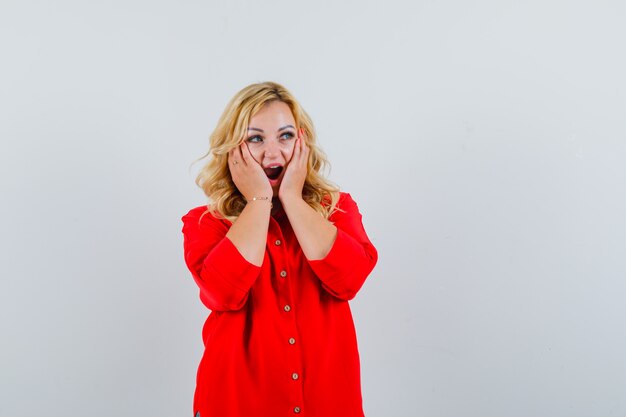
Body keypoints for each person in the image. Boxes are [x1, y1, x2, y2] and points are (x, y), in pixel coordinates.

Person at [181, 81, 378, 417]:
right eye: (256, 138)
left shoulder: (338, 209)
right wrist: (260, 199)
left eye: (285, 136)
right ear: (233, 147)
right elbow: (223, 292)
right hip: (235, 404)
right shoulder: (205, 223)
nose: (272, 154)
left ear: (302, 141)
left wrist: (291, 197)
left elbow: (350, 280)